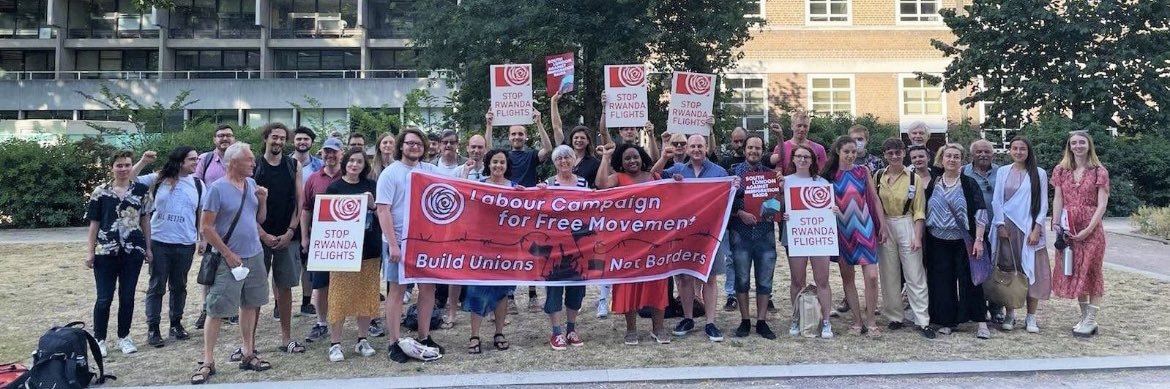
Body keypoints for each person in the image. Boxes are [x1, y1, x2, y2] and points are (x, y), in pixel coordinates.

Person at [192, 142, 271, 384]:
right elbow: (206, 227)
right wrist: (227, 253)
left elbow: (258, 219)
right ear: (233, 162)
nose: (253, 163)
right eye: (249, 160)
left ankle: (248, 353)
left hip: (254, 254)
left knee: (250, 305)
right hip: (229, 259)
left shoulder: (250, 184)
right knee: (216, 309)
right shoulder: (217, 189)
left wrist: (263, 200)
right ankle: (208, 361)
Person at [376, 127, 444, 362]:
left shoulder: (430, 170)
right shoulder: (390, 174)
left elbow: (458, 185)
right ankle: (393, 342)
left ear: (424, 148)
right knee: (396, 291)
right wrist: (393, 246)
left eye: (418, 144)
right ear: (400, 146)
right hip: (398, 243)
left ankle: (424, 337)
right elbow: (383, 210)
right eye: (409, 143)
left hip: (426, 242)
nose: (414, 147)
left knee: (428, 289)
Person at [596, 142, 671, 345]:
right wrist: (605, 156)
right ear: (621, 162)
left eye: (635, 157)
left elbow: (672, 197)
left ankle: (658, 328)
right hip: (627, 243)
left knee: (658, 283)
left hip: (655, 241)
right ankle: (631, 329)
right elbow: (601, 184)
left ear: (642, 158)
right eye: (627, 158)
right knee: (629, 284)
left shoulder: (655, 177)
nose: (632, 161)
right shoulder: (618, 178)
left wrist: (679, 182)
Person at [129, 148, 200, 348]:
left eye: (197, 159)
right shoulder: (159, 178)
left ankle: (176, 323)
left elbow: (201, 212)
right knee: (157, 285)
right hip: (160, 241)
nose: (196, 163)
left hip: (185, 242)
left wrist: (202, 239)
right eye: (192, 159)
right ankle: (153, 327)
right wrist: (143, 161)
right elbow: (130, 179)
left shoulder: (198, 184)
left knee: (179, 285)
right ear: (180, 161)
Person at [85, 150, 154, 357]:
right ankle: (100, 339)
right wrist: (90, 252)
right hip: (105, 251)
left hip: (132, 251)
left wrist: (148, 248)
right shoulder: (100, 192)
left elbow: (145, 220)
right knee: (104, 298)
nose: (123, 169)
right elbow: (94, 223)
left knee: (128, 296)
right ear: (112, 167)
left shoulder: (141, 190)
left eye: (127, 165)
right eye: (119, 165)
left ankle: (124, 336)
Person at [663, 133, 729, 342]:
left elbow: (729, 199)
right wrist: (665, 160)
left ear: (706, 147)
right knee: (684, 277)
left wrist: (734, 184)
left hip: (711, 234)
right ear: (687, 149)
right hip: (684, 233)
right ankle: (688, 317)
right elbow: (653, 177)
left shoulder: (719, 172)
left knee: (709, 278)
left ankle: (710, 322)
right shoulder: (677, 170)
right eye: (693, 146)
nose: (696, 149)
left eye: (700, 146)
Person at [485, 110, 553, 312]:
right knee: (510, 252)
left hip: (529, 210)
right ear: (508, 137)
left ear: (525, 136)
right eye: (513, 134)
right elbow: (487, 150)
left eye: (520, 134)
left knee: (532, 252)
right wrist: (489, 124)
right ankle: (510, 295)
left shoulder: (532, 155)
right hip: (507, 212)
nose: (517, 137)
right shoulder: (502, 157)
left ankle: (533, 295)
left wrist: (539, 121)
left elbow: (547, 149)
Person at [923, 143, 991, 339]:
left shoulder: (969, 183)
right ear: (941, 160)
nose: (951, 160)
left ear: (962, 161)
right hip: (937, 239)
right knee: (942, 282)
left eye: (956, 157)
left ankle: (980, 321)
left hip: (963, 240)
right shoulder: (934, 183)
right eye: (948, 156)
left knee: (971, 280)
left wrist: (979, 240)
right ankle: (947, 320)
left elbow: (980, 212)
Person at [822, 135, 887, 337]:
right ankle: (857, 321)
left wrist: (882, 224)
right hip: (841, 229)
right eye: (846, 152)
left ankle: (872, 321)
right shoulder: (828, 175)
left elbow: (874, 199)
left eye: (853, 152)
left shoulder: (862, 171)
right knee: (847, 278)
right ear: (838, 152)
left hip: (865, 227)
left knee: (872, 276)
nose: (850, 155)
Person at [322, 148, 382, 362]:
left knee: (366, 296)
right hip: (343, 252)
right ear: (345, 163)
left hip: (369, 249)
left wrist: (373, 206)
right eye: (351, 161)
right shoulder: (335, 188)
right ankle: (335, 343)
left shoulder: (372, 186)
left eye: (359, 161)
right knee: (339, 296)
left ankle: (362, 339)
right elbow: (326, 220)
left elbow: (383, 216)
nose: (355, 165)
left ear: (364, 165)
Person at [461, 149, 522, 354]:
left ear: (507, 165)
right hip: (481, 247)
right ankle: (474, 335)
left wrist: (537, 191)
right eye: (495, 162)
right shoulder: (479, 185)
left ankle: (499, 332)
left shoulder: (514, 188)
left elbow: (529, 206)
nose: (498, 166)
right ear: (489, 164)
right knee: (478, 291)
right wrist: (464, 174)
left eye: (502, 162)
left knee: (502, 292)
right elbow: (463, 194)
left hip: (506, 248)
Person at [252, 123, 306, 356]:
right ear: (266, 138)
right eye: (274, 137)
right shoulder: (254, 165)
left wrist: (291, 231)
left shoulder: (293, 165)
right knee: (253, 291)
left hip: (287, 237)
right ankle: (249, 342)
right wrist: (262, 234)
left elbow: (300, 202)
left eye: (283, 138)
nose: (278, 142)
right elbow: (244, 205)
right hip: (257, 238)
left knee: (285, 289)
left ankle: (286, 338)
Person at [1050, 130, 1110, 337]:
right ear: (1069, 146)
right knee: (1075, 272)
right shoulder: (1061, 170)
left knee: (1091, 271)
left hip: (1091, 228)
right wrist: (1056, 222)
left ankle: (1091, 318)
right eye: (1074, 142)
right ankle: (1085, 318)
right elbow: (1058, 198)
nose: (1077, 146)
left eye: (1081, 142)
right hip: (1069, 227)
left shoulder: (1099, 171)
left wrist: (1088, 229)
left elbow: (1102, 204)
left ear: (1089, 145)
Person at [873, 139, 934, 338]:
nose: (894, 156)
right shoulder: (878, 176)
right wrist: (880, 227)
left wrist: (917, 236)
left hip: (906, 222)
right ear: (885, 155)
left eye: (898, 152)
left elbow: (919, 210)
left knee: (914, 272)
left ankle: (922, 319)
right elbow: (875, 203)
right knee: (889, 273)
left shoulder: (913, 178)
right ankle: (894, 316)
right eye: (890, 153)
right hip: (885, 225)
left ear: (903, 154)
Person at [991, 137, 1051, 333]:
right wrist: (1000, 224)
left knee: (1032, 272)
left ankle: (1031, 317)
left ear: (1028, 151)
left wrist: (1037, 228)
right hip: (1007, 228)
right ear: (1010, 151)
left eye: (1022, 149)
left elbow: (1042, 205)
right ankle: (1010, 314)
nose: (1018, 152)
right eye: (1015, 148)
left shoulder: (1038, 173)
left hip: (1029, 229)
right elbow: (997, 200)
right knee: (1009, 270)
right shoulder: (1002, 171)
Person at [534, 145, 590, 350]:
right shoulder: (548, 184)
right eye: (559, 158)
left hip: (578, 247)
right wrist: (538, 194)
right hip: (555, 247)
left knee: (576, 289)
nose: (564, 161)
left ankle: (572, 329)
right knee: (554, 289)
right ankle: (556, 332)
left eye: (567, 157)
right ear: (554, 163)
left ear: (574, 160)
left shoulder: (584, 183)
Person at [727, 135, 780, 339]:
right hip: (740, 232)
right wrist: (740, 213)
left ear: (763, 151)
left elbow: (775, 203)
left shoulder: (771, 175)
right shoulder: (732, 174)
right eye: (750, 147)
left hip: (764, 232)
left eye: (758, 148)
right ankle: (745, 320)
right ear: (745, 149)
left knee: (765, 279)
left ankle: (762, 321)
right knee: (741, 279)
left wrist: (771, 206)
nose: (753, 151)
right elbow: (724, 202)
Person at [782, 145, 835, 338]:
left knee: (822, 280)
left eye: (807, 157)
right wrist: (783, 214)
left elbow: (827, 209)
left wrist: (833, 212)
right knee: (797, 280)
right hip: (796, 235)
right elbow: (775, 206)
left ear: (813, 160)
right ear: (793, 159)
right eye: (799, 156)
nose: (803, 160)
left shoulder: (822, 183)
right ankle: (797, 317)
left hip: (819, 235)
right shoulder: (785, 182)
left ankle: (826, 321)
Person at [300, 137, 345, 343]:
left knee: (346, 283)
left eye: (334, 151)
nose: (330, 155)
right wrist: (305, 237)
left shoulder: (349, 176)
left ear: (341, 153)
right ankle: (321, 323)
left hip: (345, 239)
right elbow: (306, 209)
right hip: (321, 239)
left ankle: (345, 322)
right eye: (327, 152)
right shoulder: (313, 179)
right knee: (320, 284)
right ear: (322, 154)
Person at [193, 123, 237, 329]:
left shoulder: (239, 160)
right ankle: (206, 308)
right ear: (214, 139)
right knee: (210, 267)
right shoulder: (205, 160)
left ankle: (231, 310)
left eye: (228, 135)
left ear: (234, 139)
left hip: (234, 223)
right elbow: (195, 191)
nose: (224, 139)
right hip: (211, 222)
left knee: (234, 265)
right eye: (220, 136)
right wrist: (200, 234)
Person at [964, 139, 1004, 324]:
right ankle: (976, 308)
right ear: (972, 155)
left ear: (993, 154)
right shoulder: (964, 171)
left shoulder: (1001, 172)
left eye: (987, 151)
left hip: (997, 228)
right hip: (973, 230)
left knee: (996, 270)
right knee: (977, 271)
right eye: (979, 152)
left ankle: (996, 308)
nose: (983, 155)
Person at [290, 126, 322, 316]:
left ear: (311, 143)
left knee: (308, 263)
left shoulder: (319, 165)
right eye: (299, 139)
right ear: (294, 141)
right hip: (288, 217)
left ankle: (306, 301)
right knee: (286, 262)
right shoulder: (286, 162)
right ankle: (279, 304)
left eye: (306, 139)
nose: (302, 142)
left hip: (313, 219)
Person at [598, 93, 660, 162]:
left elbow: (655, 159)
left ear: (637, 132)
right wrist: (605, 108)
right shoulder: (614, 149)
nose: (629, 131)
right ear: (620, 132)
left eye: (632, 129)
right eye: (626, 129)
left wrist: (651, 136)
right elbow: (603, 132)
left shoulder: (642, 151)